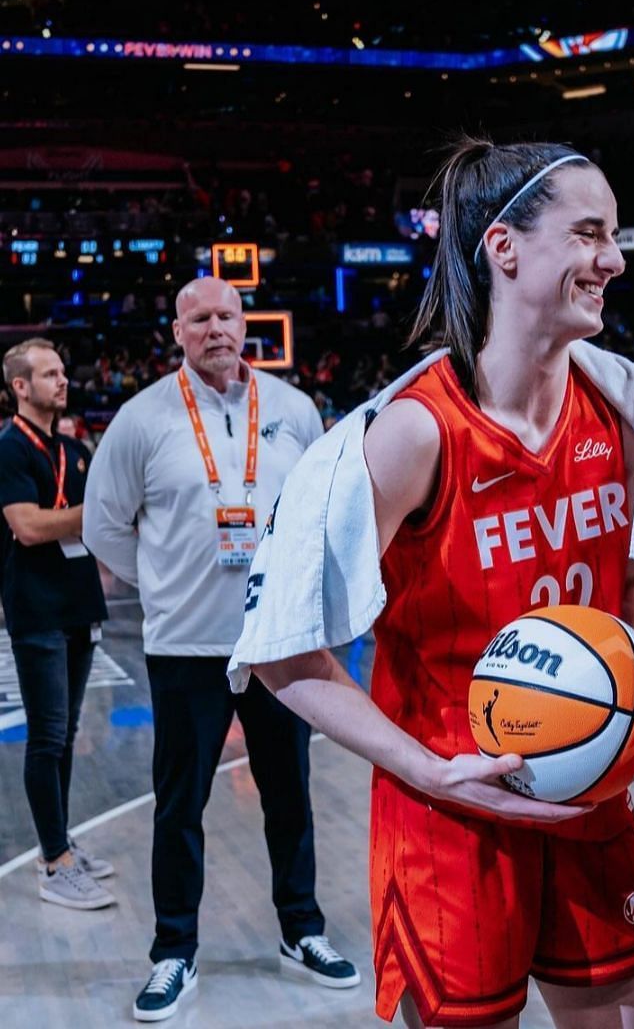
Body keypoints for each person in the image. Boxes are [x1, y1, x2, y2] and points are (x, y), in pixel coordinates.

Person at [232, 139, 634, 1029]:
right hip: (451, 819)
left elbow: (615, 593)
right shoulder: (413, 434)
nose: (613, 258)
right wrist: (429, 769)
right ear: (504, 247)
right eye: (588, 233)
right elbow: (281, 654)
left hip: (593, 796)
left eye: (613, 236)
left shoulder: (618, 409)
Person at [82, 278, 352, 1022]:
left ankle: (302, 931)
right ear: (177, 331)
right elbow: (105, 526)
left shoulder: (295, 411)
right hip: (185, 645)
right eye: (198, 318)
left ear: (245, 325)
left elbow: (325, 511)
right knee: (180, 805)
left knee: (290, 794)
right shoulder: (141, 420)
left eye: (226, 316)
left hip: (278, 641)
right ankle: (175, 950)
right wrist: (164, 585)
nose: (214, 329)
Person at [0, 339, 112, 912]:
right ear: (21, 386)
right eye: (48, 374)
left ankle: (61, 844)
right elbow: (26, 526)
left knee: (63, 733)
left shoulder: (74, 446)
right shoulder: (8, 448)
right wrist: (96, 512)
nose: (63, 381)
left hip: (78, 602)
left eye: (63, 371)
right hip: (37, 607)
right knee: (45, 736)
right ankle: (52, 863)